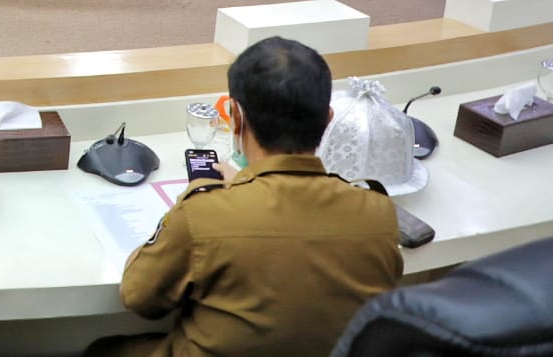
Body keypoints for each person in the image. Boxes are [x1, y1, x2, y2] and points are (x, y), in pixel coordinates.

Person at [88, 37, 400, 357]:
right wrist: (245, 186)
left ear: (235, 117)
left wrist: (202, 199)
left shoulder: (204, 214)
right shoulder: (378, 212)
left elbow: (139, 297)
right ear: (328, 118)